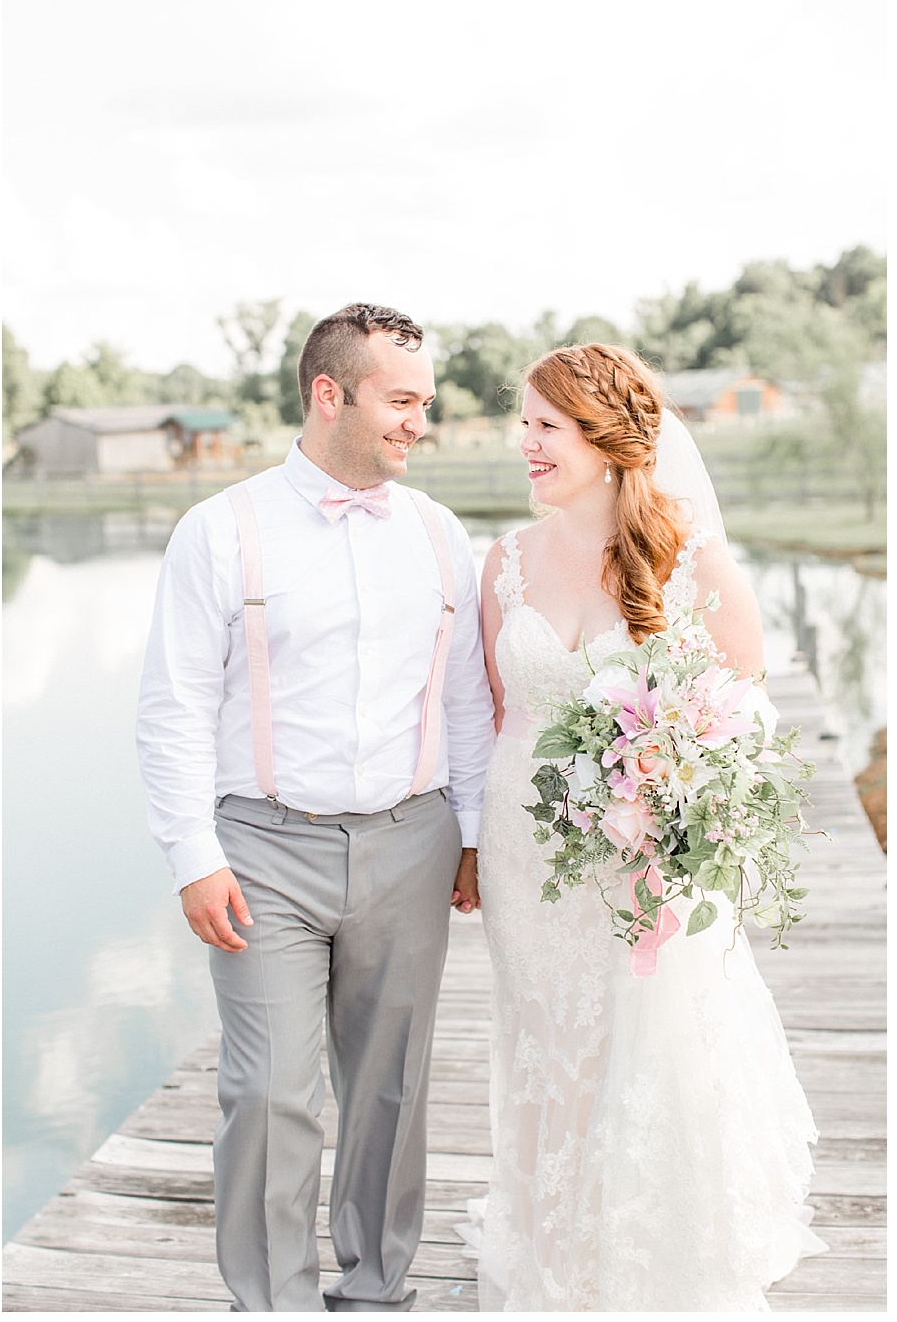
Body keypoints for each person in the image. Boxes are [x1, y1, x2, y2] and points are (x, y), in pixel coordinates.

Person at [137, 303, 494, 1311]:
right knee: (268, 1092)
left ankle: (377, 1286)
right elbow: (171, 706)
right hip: (260, 851)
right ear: (328, 394)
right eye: (402, 399)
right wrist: (192, 854)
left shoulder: (438, 533)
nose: (420, 420)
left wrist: (469, 835)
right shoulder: (220, 531)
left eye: (426, 400)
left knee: (391, 1087)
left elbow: (464, 695)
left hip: (413, 841)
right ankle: (273, 1302)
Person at [460, 343, 825, 1310]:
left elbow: (745, 702)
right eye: (524, 424)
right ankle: (554, 1241)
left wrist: (675, 795)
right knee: (548, 1035)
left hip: (650, 848)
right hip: (527, 845)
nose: (525, 444)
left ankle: (651, 1243)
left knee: (650, 1036)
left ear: (605, 439)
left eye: (546, 427)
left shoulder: (690, 554)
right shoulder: (502, 563)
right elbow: (505, 713)